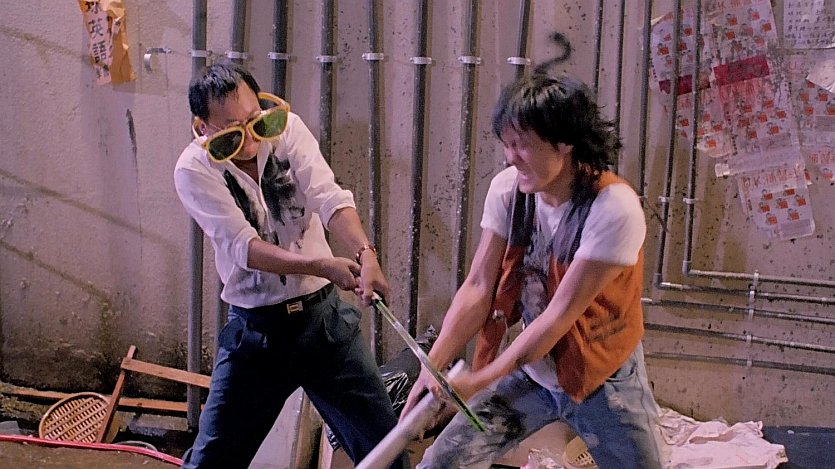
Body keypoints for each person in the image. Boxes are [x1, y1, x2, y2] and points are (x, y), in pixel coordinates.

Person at [401, 73, 665, 469]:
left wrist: (479, 380)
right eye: (507, 144)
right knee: (444, 460)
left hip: (602, 376)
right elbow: (478, 286)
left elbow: (557, 318)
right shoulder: (509, 190)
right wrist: (433, 367)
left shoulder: (613, 208)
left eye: (522, 145)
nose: (511, 157)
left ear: (564, 143)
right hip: (534, 369)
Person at [174, 61, 407, 469]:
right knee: (212, 461)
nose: (250, 139)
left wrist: (366, 253)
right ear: (203, 127)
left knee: (385, 450)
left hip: (323, 323)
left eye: (254, 121)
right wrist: (322, 265)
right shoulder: (194, 169)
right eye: (231, 132)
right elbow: (244, 247)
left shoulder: (287, 131)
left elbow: (328, 196)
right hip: (257, 334)